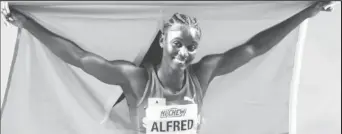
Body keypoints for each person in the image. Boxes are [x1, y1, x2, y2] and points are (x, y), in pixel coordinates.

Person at [3, 1, 334, 134]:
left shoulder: (202, 73)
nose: (184, 53)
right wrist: (29, 25)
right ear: (162, 41)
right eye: (177, 44)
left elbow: (252, 49)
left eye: (191, 46)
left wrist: (305, 14)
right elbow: (78, 58)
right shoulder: (135, 80)